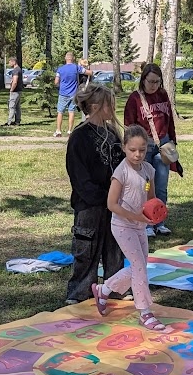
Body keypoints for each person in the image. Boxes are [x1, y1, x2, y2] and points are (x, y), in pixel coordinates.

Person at [91, 125, 169, 333]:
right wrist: (135, 216)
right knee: (139, 267)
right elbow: (112, 204)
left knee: (139, 265)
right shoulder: (121, 173)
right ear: (124, 147)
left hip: (140, 226)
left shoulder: (148, 170)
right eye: (133, 149)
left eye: (142, 150)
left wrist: (156, 212)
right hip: (122, 225)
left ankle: (103, 289)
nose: (138, 154)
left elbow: (150, 199)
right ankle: (145, 312)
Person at [64, 82, 125, 304]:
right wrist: (100, 197)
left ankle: (114, 290)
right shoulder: (80, 137)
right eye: (110, 104)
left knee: (115, 249)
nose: (113, 108)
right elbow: (79, 176)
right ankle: (80, 294)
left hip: (115, 205)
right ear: (97, 106)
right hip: (89, 206)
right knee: (86, 251)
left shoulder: (113, 134)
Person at [123, 63, 181, 237]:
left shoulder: (162, 95)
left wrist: (172, 140)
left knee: (161, 185)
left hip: (163, 144)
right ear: (143, 80)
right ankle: (146, 223)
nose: (154, 85)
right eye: (151, 82)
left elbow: (169, 119)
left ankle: (159, 222)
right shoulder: (135, 99)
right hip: (144, 145)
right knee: (145, 186)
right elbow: (129, 125)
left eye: (157, 82)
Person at [55, 52, 82, 137]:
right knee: (71, 112)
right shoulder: (76, 68)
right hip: (73, 94)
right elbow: (87, 72)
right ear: (73, 58)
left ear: (65, 58)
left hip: (63, 93)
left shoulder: (60, 69)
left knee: (60, 112)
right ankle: (70, 131)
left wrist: (59, 86)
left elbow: (56, 82)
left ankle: (58, 131)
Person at [6, 56, 24, 126]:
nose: (9, 63)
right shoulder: (19, 69)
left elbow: (15, 81)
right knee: (17, 107)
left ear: (14, 62)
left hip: (15, 91)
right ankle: (17, 121)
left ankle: (9, 122)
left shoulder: (15, 70)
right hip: (19, 90)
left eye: (10, 62)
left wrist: (11, 90)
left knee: (12, 106)